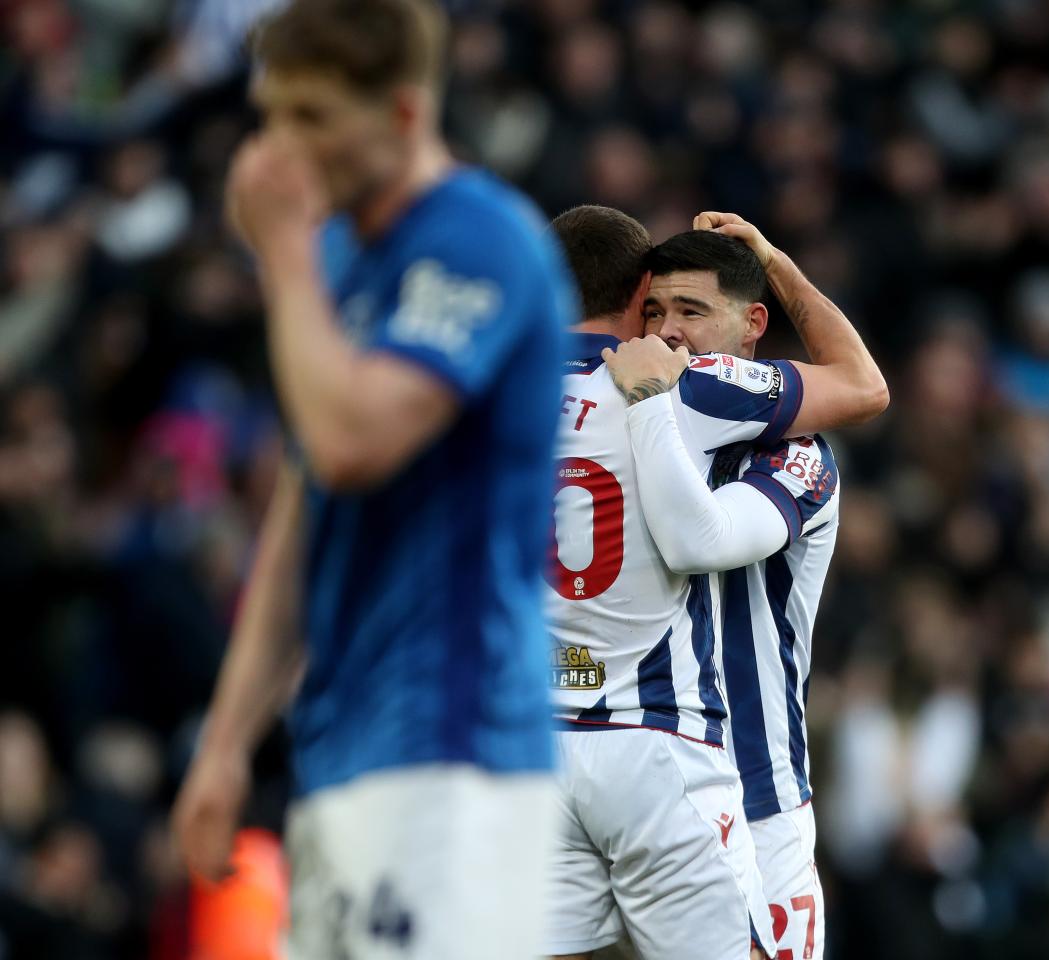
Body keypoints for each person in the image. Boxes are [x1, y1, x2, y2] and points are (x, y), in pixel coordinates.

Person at [170, 2, 575, 957]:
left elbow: (352, 440)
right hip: (345, 743)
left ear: (399, 113)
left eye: (311, 117)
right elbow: (306, 505)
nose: (279, 149)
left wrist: (281, 254)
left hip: (455, 747)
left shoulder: (480, 242)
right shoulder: (347, 261)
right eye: (271, 115)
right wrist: (226, 744)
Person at [545, 205, 886, 960]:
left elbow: (702, 538)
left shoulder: (793, 456)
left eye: (692, 312)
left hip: (754, 794)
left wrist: (779, 263)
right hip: (651, 753)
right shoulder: (660, 401)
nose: (669, 331)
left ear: (751, 325)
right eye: (657, 309)